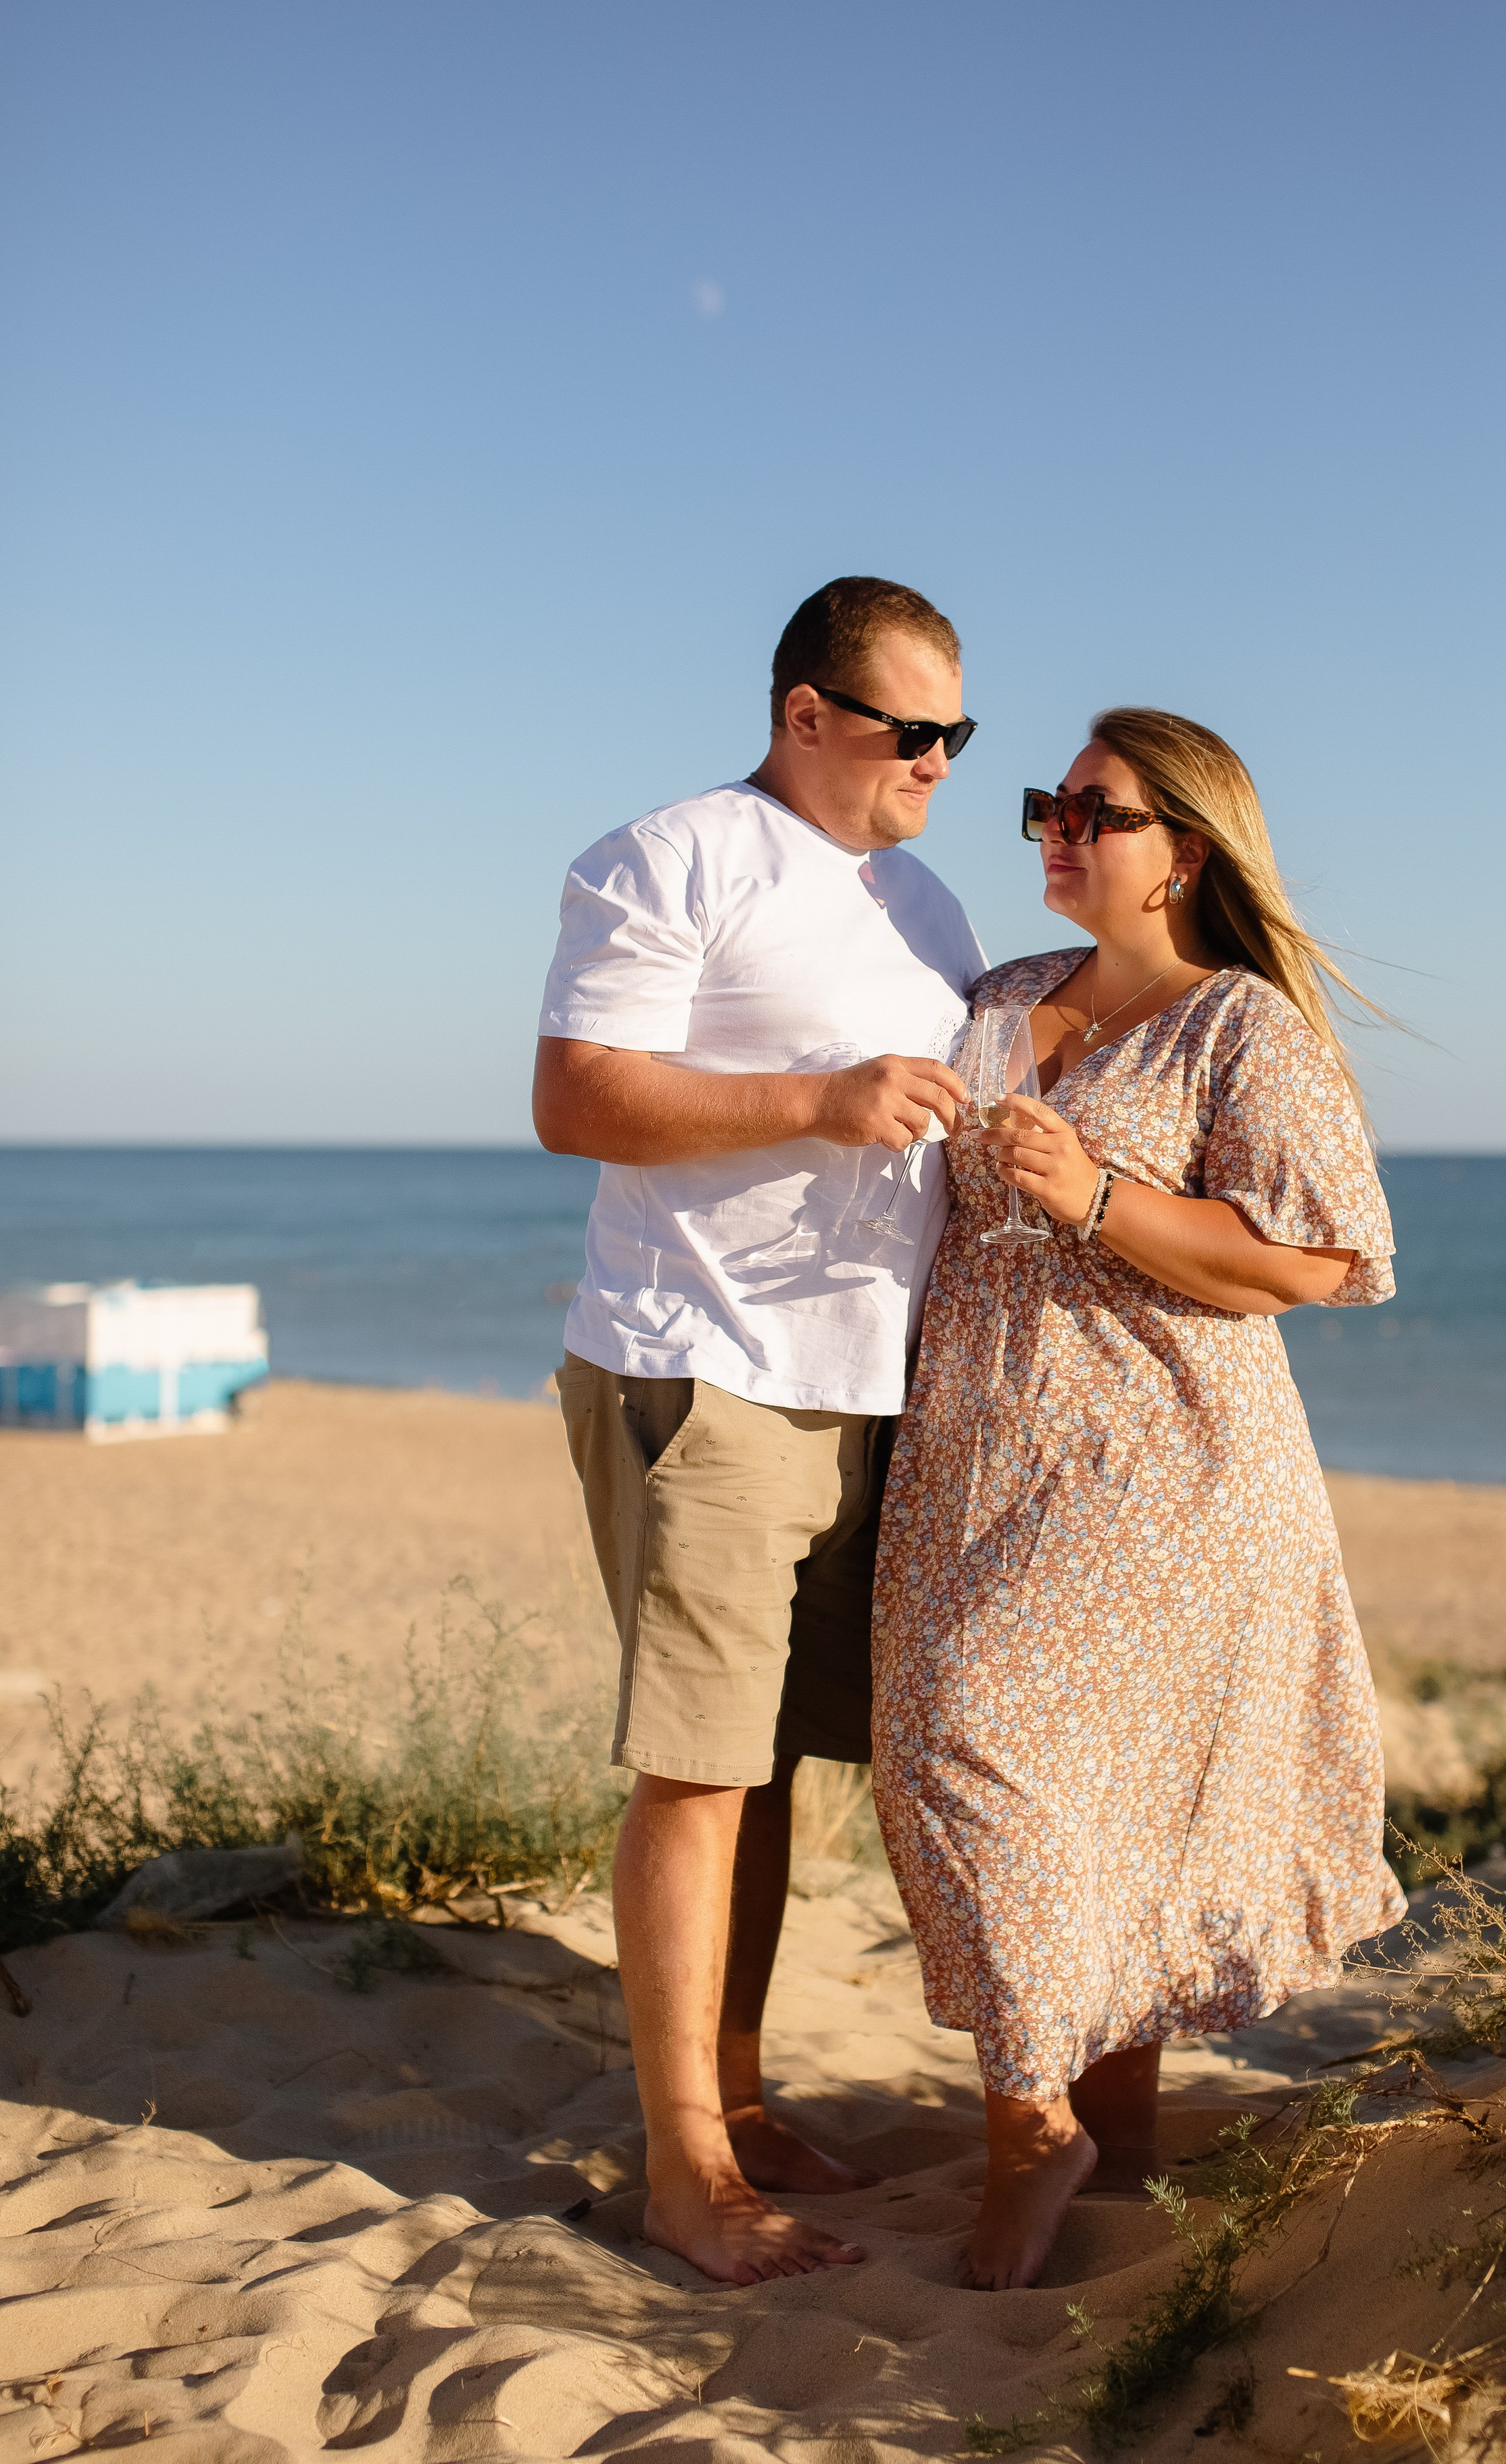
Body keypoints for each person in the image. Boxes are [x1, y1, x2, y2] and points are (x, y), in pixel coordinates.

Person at [871, 706, 1407, 2291]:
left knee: (1026, 1768)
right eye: (1045, 804)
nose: (1050, 827)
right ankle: (1086, 2130)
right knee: (965, 1755)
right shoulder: (1002, 999)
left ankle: (1040, 2133)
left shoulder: (1241, 1028)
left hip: (1168, 1473)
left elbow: (1319, 1263)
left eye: (1090, 811)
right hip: (977, 1458)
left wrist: (1100, 1196)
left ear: (1184, 850)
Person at [533, 577, 983, 2287]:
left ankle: (738, 2098)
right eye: (907, 728)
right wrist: (817, 1097)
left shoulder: (924, 901)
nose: (938, 758)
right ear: (805, 714)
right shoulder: (669, 858)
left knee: (774, 1762)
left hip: (865, 1392)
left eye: (958, 730)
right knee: (699, 1769)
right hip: (699, 1366)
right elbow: (574, 1095)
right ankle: (682, 2174)